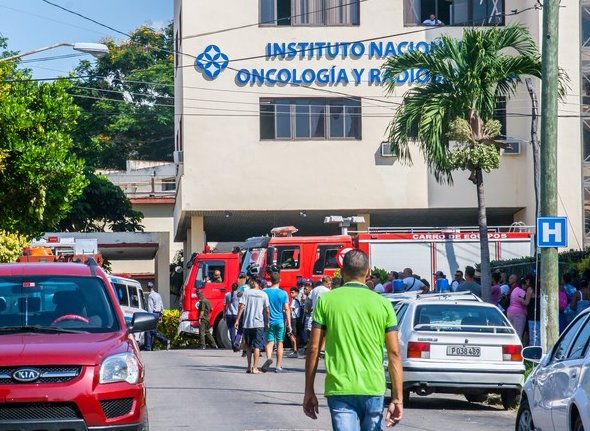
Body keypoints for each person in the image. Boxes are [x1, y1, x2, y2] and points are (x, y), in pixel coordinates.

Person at [303, 249, 403, 430]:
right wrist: (397, 398)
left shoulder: (326, 301)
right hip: (373, 386)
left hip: (340, 387)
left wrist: (309, 390)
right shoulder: (383, 304)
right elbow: (394, 352)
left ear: (342, 272)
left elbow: (313, 348)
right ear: (368, 272)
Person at [235, 277, 270, 374]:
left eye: (251, 281)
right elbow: (267, 310)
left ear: (255, 282)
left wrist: (237, 320)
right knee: (257, 346)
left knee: (248, 346)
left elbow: (241, 306)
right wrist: (267, 322)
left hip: (247, 324)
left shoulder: (246, 293)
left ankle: (249, 367)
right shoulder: (264, 294)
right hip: (259, 324)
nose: (250, 283)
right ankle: (255, 368)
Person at [264, 271, 292, 372]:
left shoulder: (265, 291)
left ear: (270, 280)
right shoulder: (283, 293)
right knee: (280, 343)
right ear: (280, 280)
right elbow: (287, 309)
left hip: (269, 321)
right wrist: (289, 323)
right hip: (280, 321)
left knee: (269, 342)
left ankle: (268, 358)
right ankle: (278, 366)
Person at [145, 282, 170, 351]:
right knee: (150, 330)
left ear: (148, 288)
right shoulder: (158, 295)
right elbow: (161, 305)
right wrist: (160, 315)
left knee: (150, 330)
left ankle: (164, 340)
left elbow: (150, 307)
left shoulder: (150, 296)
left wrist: (149, 316)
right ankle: (148, 347)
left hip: (153, 313)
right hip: (158, 313)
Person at [523, 276, 541, 346]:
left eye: (527, 280)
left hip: (532, 313)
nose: (526, 282)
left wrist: (522, 300)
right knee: (539, 334)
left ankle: (533, 350)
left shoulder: (530, 289)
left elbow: (526, 302)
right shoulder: (539, 288)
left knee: (533, 335)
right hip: (539, 313)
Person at [224, 282, 240, 351]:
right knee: (240, 329)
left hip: (229, 314)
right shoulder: (239, 295)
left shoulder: (227, 295)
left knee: (231, 330)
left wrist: (223, 314)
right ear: (237, 287)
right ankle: (236, 342)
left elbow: (225, 305)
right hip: (237, 314)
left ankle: (234, 345)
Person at [288, 287, 302, 358]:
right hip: (297, 319)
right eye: (290, 292)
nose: (291, 294)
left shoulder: (293, 301)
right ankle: (295, 349)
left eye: (292, 292)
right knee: (296, 335)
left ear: (296, 293)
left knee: (291, 334)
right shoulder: (297, 300)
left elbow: (290, 310)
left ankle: (295, 350)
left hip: (293, 319)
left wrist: (287, 320)